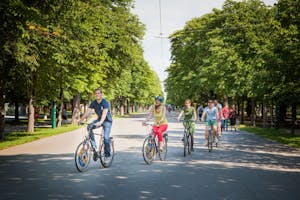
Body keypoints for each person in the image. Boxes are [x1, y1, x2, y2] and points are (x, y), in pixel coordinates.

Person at [78, 88, 113, 158]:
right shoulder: (94, 102)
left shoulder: (105, 102)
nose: (97, 94)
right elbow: (87, 112)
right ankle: (94, 147)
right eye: (96, 93)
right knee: (89, 127)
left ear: (101, 94)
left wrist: (101, 122)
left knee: (106, 138)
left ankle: (107, 154)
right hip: (99, 120)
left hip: (107, 121)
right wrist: (81, 120)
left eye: (98, 93)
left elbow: (104, 113)